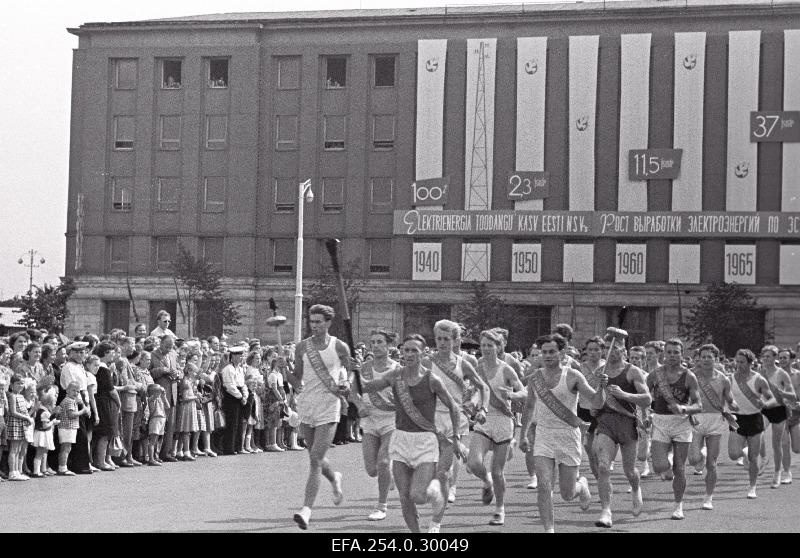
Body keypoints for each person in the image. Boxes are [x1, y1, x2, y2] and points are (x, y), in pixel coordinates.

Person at [360, 333, 465, 533]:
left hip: (425, 442)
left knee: (417, 495)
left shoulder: (431, 379)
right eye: (406, 350)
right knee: (404, 497)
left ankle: (436, 494)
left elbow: (454, 407)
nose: (409, 354)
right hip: (400, 440)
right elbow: (367, 387)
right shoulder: (394, 376)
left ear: (423, 353)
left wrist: (457, 439)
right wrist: (354, 371)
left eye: (414, 350)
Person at [518, 334, 607, 533]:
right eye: (544, 352)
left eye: (552, 352)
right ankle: (549, 530)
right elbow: (530, 406)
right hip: (544, 435)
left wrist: (602, 387)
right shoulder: (535, 378)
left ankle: (581, 485)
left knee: (567, 494)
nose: (548, 356)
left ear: (562, 352)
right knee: (544, 484)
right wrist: (523, 435)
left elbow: (596, 402)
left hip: (568, 436)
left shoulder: (573, 376)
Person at [286, 304, 353, 530]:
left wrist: (346, 384)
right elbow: (297, 380)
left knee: (314, 459)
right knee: (317, 457)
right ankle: (335, 478)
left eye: (318, 322)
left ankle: (306, 510)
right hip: (307, 405)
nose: (314, 326)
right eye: (311, 322)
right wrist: (284, 371)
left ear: (328, 323)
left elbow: (350, 370)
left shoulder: (339, 346)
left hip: (329, 405)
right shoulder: (302, 347)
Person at [425, 319, 489, 532]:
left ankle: (436, 522)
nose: (442, 343)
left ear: (454, 341)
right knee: (429, 469)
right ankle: (465, 455)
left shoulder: (463, 364)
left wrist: (481, 407)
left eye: (446, 339)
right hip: (430, 420)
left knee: (442, 472)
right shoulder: (427, 362)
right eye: (438, 339)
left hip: (455, 420)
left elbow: (482, 387)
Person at [467, 329, 526, 526]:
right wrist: (472, 402)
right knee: (474, 463)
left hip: (502, 420)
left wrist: (511, 395)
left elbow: (523, 392)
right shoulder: (478, 366)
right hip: (484, 420)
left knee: (498, 470)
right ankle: (487, 481)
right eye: (482, 345)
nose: (485, 349)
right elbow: (476, 390)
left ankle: (500, 509)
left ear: (498, 347)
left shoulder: (506, 369)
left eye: (489, 345)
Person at [592, 335, 651, 528]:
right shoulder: (600, 372)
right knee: (603, 466)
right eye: (608, 347)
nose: (612, 351)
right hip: (606, 423)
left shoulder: (632, 371)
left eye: (616, 347)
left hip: (627, 423)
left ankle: (635, 488)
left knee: (629, 471)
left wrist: (624, 394)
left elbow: (647, 399)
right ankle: (606, 511)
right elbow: (594, 407)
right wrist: (601, 387)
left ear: (623, 350)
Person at [646, 338, 702, 520]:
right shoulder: (655, 375)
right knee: (659, 466)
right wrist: (644, 414)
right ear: (664, 354)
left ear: (681, 354)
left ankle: (678, 506)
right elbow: (644, 397)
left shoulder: (689, 376)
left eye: (676, 352)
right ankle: (666, 463)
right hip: (660, 422)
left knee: (680, 468)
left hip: (681, 424)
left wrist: (684, 408)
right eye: (669, 352)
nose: (672, 356)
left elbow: (698, 405)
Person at [352, 329, 401, 522]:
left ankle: (381, 506)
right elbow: (352, 392)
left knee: (383, 462)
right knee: (372, 469)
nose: (376, 345)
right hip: (370, 420)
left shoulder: (397, 369)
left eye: (380, 342)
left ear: (389, 345)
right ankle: (389, 476)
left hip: (391, 420)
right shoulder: (362, 367)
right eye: (372, 342)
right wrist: (359, 405)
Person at [688, 343, 739, 510]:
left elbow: (730, 398)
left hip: (716, 421)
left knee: (712, 463)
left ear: (716, 359)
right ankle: (700, 457)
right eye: (703, 357)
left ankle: (708, 497)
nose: (706, 359)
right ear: (699, 358)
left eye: (710, 357)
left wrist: (734, 405)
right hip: (696, 419)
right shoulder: (691, 376)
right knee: (694, 459)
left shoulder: (723, 378)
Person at [728, 349, 780, 499]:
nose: (738, 365)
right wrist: (730, 404)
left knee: (753, 457)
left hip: (754, 419)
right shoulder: (730, 378)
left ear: (750, 362)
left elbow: (772, 399)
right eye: (736, 361)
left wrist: (765, 404)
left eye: (742, 362)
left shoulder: (758, 379)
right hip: (737, 419)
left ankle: (752, 487)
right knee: (733, 454)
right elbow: (727, 397)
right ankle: (744, 451)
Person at [758, 345, 797, 488]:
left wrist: (782, 393)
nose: (765, 359)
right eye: (764, 356)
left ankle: (778, 473)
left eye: (768, 356)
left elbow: (792, 395)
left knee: (778, 444)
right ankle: (763, 458)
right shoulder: (760, 372)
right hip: (765, 409)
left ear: (774, 358)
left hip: (780, 410)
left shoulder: (782, 374)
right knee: (757, 432)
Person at [58, 342, 93, 474]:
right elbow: (73, 389)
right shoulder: (69, 367)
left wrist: (87, 404)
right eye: (76, 352)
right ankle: (77, 465)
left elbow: (84, 388)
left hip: (82, 399)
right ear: (71, 353)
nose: (79, 355)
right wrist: (83, 406)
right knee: (77, 435)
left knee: (82, 435)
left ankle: (85, 463)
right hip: (73, 401)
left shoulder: (80, 366)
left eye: (82, 352)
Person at [150, 334, 182, 461]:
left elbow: (179, 369)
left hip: (173, 391)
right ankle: (154, 454)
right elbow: (148, 372)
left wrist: (177, 373)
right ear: (161, 343)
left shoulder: (173, 354)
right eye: (167, 346)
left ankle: (166, 452)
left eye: (171, 346)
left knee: (171, 425)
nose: (169, 349)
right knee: (159, 424)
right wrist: (161, 370)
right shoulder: (152, 355)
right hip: (159, 394)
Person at [578, 336, 605, 480]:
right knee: (589, 449)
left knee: (598, 448)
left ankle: (603, 477)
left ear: (602, 351)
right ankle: (600, 479)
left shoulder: (607, 367)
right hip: (584, 410)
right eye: (590, 350)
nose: (593, 352)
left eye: (596, 349)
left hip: (602, 412)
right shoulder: (580, 368)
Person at [93, 342, 121, 472]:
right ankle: (101, 461)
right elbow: (111, 390)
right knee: (104, 433)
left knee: (105, 433)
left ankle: (103, 460)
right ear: (105, 353)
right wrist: (118, 402)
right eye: (111, 352)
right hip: (104, 402)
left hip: (101, 401)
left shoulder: (103, 368)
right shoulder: (103, 369)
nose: (113, 354)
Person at [56, 381, 89, 476]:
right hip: (67, 427)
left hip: (68, 427)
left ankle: (63, 467)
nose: (76, 393)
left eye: (78, 391)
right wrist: (82, 411)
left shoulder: (70, 400)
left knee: (66, 448)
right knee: (66, 448)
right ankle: (62, 468)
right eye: (73, 390)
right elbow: (71, 415)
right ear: (67, 390)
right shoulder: (69, 401)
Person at [5, 375, 34, 480]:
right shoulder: (12, 396)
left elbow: (24, 411)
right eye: (18, 383)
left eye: (22, 383)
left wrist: (27, 419)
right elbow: (13, 412)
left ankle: (17, 471)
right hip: (14, 423)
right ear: (11, 385)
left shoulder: (21, 396)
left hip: (21, 424)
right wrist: (26, 417)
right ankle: (12, 472)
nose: (20, 385)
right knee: (14, 449)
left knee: (18, 449)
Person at [221, 346, 248, 455]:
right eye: (239, 355)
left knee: (239, 423)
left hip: (240, 394)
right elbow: (229, 386)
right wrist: (240, 396)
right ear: (233, 356)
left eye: (242, 355)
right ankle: (229, 448)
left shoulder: (240, 369)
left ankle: (238, 446)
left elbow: (243, 384)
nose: (241, 358)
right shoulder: (228, 369)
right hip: (232, 396)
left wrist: (245, 396)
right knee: (232, 422)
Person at [778, 348, 800, 483]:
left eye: (784, 358)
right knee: (784, 444)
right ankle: (787, 473)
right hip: (781, 415)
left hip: (796, 415)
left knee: (797, 449)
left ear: (791, 359)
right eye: (780, 358)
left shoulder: (798, 375)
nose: (782, 360)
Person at [31, 386, 60, 477]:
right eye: (53, 404)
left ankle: (39, 470)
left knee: (41, 453)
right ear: (48, 403)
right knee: (39, 453)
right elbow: (45, 425)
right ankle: (36, 471)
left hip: (43, 433)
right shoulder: (45, 412)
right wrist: (53, 422)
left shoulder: (44, 410)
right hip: (41, 434)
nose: (54, 406)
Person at [146, 383, 168, 465]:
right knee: (153, 440)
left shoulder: (160, 398)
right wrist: (159, 390)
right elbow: (154, 396)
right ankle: (151, 459)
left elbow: (168, 406)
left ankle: (156, 456)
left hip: (162, 419)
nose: (160, 391)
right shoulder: (151, 398)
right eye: (158, 390)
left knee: (158, 440)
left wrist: (164, 397)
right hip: (155, 419)